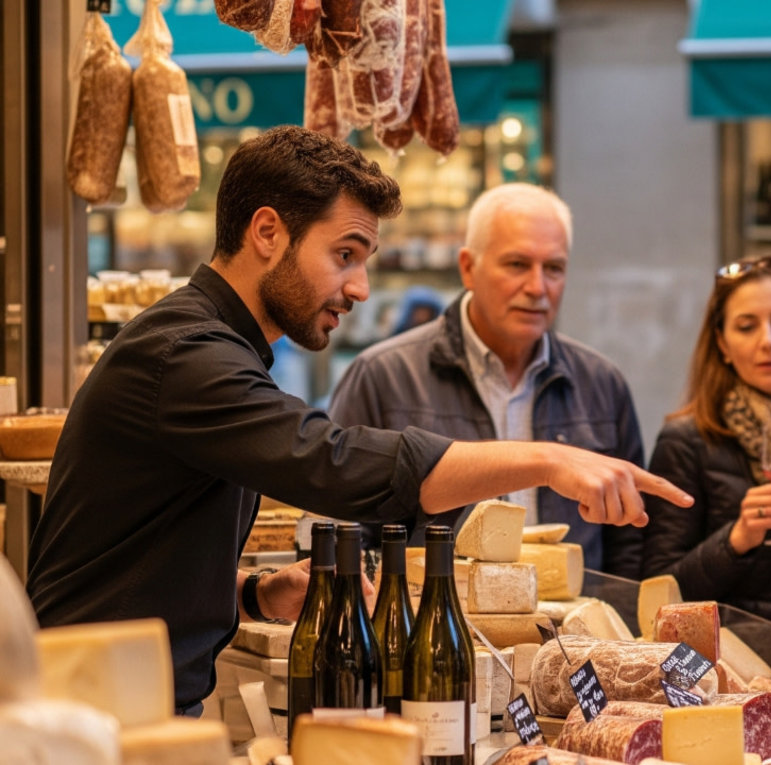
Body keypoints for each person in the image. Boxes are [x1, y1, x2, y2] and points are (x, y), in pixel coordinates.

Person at [24, 126, 690, 715]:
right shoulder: (186, 355)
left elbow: (137, 557)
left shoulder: (210, 349)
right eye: (345, 253)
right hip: (93, 715)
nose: (361, 287)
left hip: (123, 702)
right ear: (266, 232)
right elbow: (332, 460)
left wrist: (255, 591)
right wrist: (545, 458)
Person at [329, 183, 647, 577]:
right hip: (436, 630)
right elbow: (339, 533)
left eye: (554, 268)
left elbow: (628, 548)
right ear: (468, 268)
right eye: (517, 264)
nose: (537, 288)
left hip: (577, 632)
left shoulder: (602, 384)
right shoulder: (383, 377)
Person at [641, 256, 771, 623]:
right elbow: (656, 592)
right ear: (722, 343)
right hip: (734, 668)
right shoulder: (686, 440)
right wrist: (734, 540)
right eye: (747, 327)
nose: (768, 341)